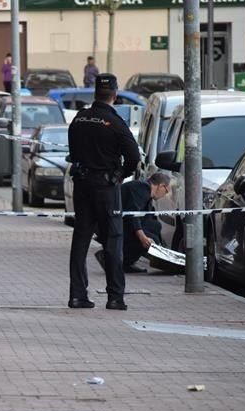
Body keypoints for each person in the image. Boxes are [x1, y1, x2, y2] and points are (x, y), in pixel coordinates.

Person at [67, 73, 140, 310]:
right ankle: (115, 297)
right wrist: (120, 175)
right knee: (113, 240)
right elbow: (134, 157)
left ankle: (77, 295)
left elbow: (73, 152)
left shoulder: (79, 119)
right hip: (106, 188)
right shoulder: (115, 122)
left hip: (82, 185)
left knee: (81, 240)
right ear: (115, 95)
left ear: (95, 93)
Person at [95, 172, 170, 274]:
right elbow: (133, 216)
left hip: (121, 224)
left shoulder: (147, 193)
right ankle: (109, 257)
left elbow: (146, 219)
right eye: (166, 191)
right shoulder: (142, 190)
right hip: (110, 226)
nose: (164, 195)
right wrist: (143, 237)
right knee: (149, 240)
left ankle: (126, 261)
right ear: (161, 186)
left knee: (155, 227)